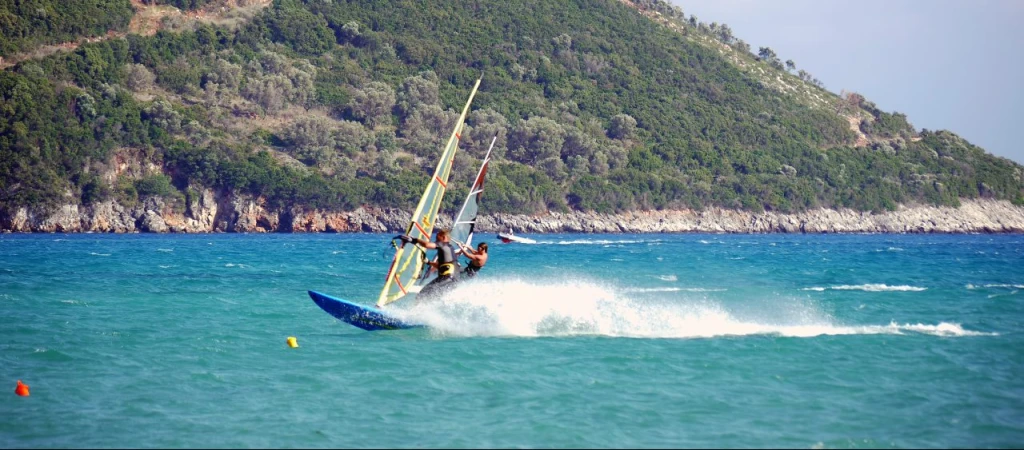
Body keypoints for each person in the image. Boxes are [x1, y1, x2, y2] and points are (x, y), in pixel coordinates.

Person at [399, 229, 459, 299]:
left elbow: (426, 245)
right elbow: (442, 267)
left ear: (443, 237)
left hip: (447, 278)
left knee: (421, 295)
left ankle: (416, 309)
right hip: (454, 281)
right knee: (434, 297)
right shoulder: (450, 248)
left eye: (437, 237)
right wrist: (428, 262)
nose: (435, 240)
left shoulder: (442, 244)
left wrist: (414, 240)